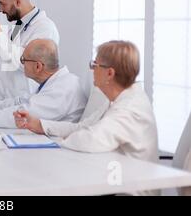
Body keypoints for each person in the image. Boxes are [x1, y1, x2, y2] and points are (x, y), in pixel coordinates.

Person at [14, 40, 158, 165]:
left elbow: (90, 139)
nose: (92, 69)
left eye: (95, 64)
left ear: (110, 73)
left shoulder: (130, 109)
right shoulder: (116, 100)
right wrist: (38, 124)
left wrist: (56, 143)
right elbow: (82, 127)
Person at [0, 39, 86, 128]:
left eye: (24, 60)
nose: (21, 64)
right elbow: (12, 104)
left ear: (38, 66)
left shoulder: (63, 89)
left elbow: (16, 116)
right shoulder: (52, 84)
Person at [0, 0, 59, 101]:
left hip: (22, 103)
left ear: (17, 2)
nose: (0, 10)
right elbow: (0, 60)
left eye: (3, 4)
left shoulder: (45, 28)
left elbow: (27, 63)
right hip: (2, 101)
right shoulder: (18, 26)